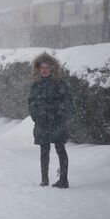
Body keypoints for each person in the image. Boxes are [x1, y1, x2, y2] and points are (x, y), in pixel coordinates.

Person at [28, 53, 75, 188]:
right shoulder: (36, 85)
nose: (45, 70)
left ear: (52, 69)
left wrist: (58, 115)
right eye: (42, 68)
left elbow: (68, 103)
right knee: (44, 150)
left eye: (47, 68)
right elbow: (31, 103)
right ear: (39, 69)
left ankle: (64, 180)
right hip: (42, 122)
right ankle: (44, 179)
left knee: (60, 149)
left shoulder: (60, 84)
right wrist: (36, 115)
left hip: (57, 122)